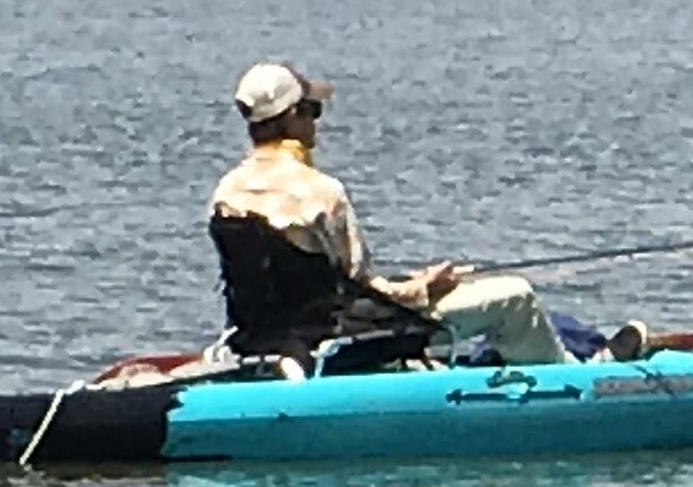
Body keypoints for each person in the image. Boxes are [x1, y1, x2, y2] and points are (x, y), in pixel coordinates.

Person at [209, 60, 565, 366]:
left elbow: (308, 281)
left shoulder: (226, 193)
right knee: (515, 295)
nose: (315, 122)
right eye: (312, 111)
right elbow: (361, 293)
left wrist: (410, 282)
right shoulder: (321, 193)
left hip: (265, 336)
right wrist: (425, 287)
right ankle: (573, 389)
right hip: (338, 336)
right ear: (292, 117)